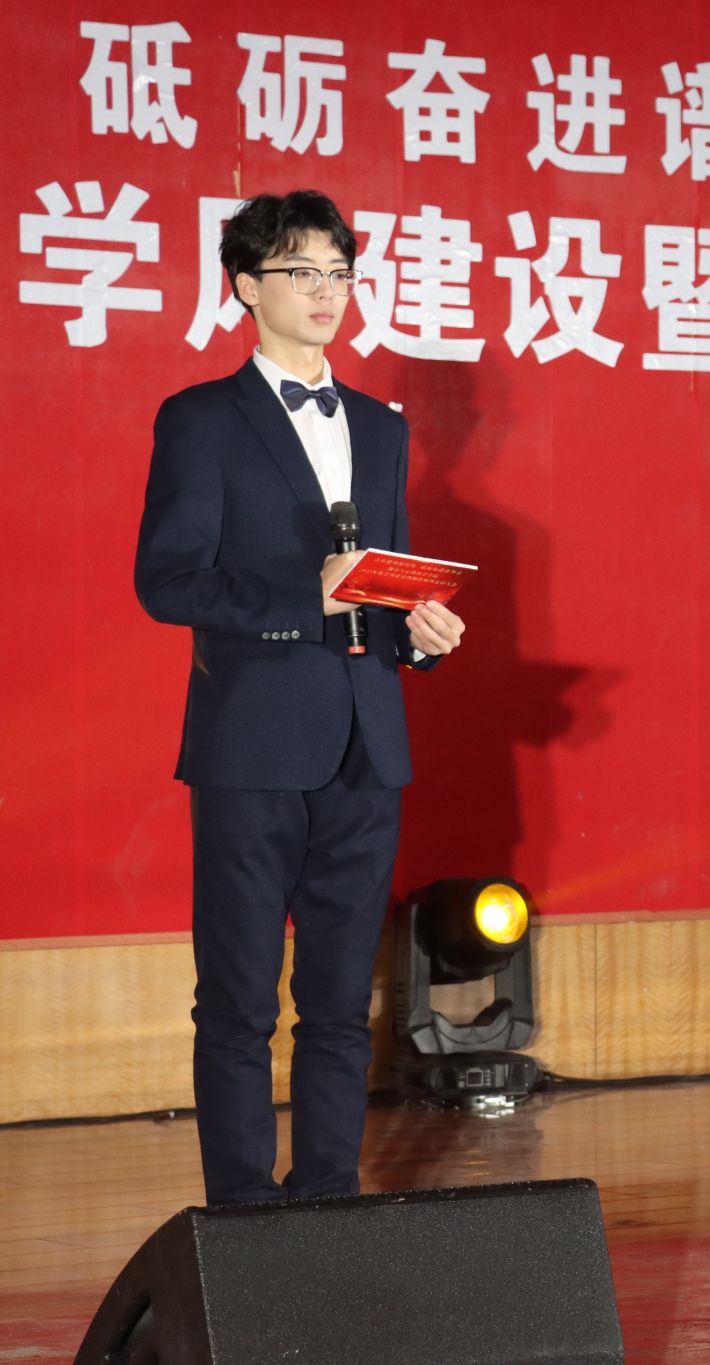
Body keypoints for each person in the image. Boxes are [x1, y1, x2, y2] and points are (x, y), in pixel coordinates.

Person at [134, 190, 466, 1205]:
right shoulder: (201, 419)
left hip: (368, 743)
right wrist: (300, 598)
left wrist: (421, 638)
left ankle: (328, 1203)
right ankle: (243, 1215)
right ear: (246, 286)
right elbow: (168, 581)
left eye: (339, 274)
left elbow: (383, 580)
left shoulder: (379, 427)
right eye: (301, 273)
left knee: (339, 1001)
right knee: (238, 1001)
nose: (327, 292)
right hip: (253, 745)